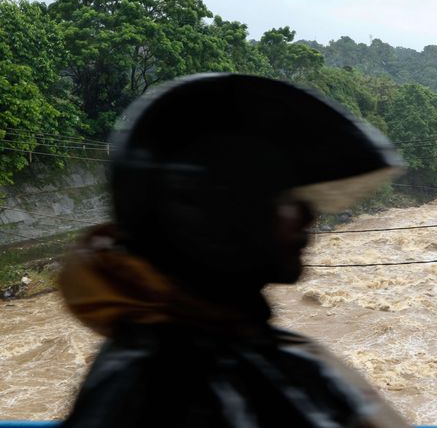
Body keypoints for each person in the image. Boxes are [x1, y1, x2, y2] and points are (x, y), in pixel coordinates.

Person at [59, 74, 409, 428]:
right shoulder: (167, 387)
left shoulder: (225, 344)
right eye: (283, 197)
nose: (307, 215)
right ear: (219, 213)